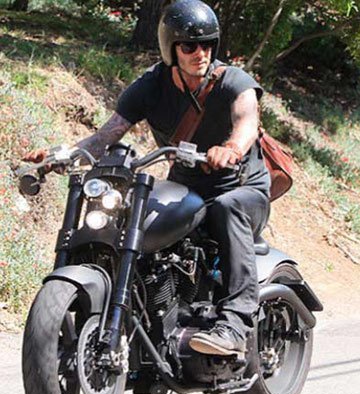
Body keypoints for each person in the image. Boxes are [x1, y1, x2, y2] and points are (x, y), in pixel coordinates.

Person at [24, 0, 271, 356]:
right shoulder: (151, 86)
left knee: (227, 208)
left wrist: (231, 147)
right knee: (136, 220)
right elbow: (105, 136)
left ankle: (235, 324)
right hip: (187, 186)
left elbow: (246, 119)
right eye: (189, 46)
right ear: (171, 48)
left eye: (206, 45)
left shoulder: (233, 81)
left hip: (242, 187)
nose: (200, 53)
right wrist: (57, 157)